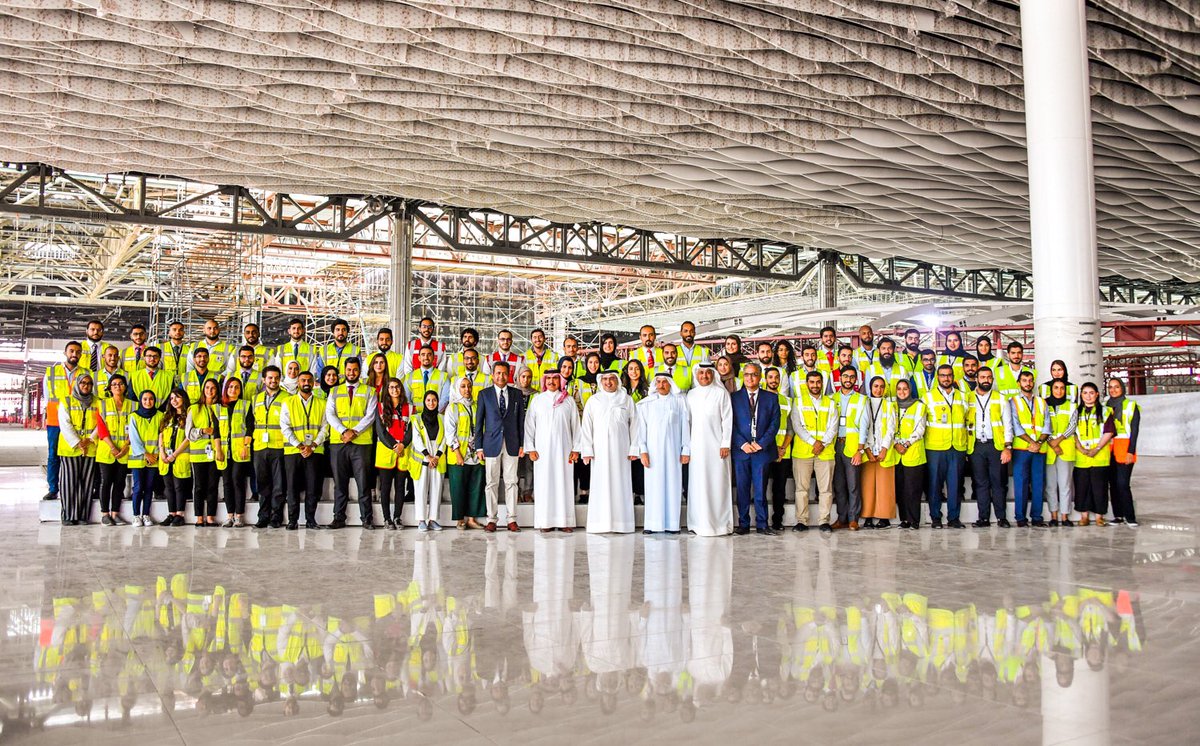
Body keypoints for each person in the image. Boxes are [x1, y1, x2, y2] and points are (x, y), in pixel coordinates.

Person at [576, 370, 638, 534]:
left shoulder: (627, 400)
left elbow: (635, 426)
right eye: (605, 379)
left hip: (622, 452)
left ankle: (622, 524)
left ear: (617, 381)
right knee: (600, 485)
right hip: (600, 452)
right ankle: (600, 524)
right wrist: (587, 450)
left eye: (612, 379)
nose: (608, 382)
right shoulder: (594, 401)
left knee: (621, 484)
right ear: (600, 381)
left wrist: (634, 448)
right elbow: (587, 427)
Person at [525, 372, 581, 532]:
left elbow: (576, 426)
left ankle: (564, 522)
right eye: (548, 379)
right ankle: (545, 522)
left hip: (564, 450)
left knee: (564, 483)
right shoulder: (537, 400)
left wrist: (576, 449)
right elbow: (529, 426)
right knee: (544, 484)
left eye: (555, 378)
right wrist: (531, 448)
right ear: (544, 381)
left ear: (560, 380)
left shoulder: (568, 401)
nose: (551, 381)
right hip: (542, 452)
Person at [325, 357, 377, 529]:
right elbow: (330, 415)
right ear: (344, 370)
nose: (351, 373)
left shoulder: (369, 391)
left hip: (361, 443)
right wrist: (343, 431)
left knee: (363, 483)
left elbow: (370, 416)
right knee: (340, 483)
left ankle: (366, 519)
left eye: (355, 370)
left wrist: (354, 432)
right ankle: (338, 518)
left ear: (359, 370)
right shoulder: (335, 391)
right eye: (349, 370)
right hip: (338, 442)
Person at [637, 371, 690, 534]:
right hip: (652, 454)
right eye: (658, 382)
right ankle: (652, 525)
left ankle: (672, 524)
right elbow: (641, 430)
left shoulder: (680, 402)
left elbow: (685, 427)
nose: (661, 385)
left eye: (664, 382)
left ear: (670, 383)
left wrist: (685, 449)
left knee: (673, 486)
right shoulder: (646, 404)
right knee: (654, 487)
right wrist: (643, 451)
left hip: (674, 453)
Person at [475, 360, 525, 532]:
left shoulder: (517, 394)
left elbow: (521, 421)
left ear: (509, 374)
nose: (501, 376)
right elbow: (479, 422)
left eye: (504, 373)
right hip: (490, 444)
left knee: (512, 482)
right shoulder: (484, 394)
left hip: (512, 443)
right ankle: (492, 519)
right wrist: (479, 447)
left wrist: (522, 444)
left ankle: (511, 519)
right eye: (498, 373)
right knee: (491, 483)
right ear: (493, 375)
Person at [731, 363, 780, 535]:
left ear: (760, 377)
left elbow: (775, 424)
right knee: (742, 489)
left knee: (760, 489)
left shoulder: (771, 398)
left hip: (761, 450)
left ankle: (762, 524)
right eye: (746, 375)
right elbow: (730, 424)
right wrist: (742, 444)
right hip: (742, 450)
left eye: (753, 375)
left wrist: (761, 443)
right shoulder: (733, 398)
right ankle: (743, 524)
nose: (749, 378)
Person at [686, 363, 733, 536]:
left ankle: (719, 525)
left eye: (707, 373)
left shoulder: (721, 393)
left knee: (717, 485)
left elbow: (727, 420)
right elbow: (687, 423)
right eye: (701, 373)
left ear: (713, 374)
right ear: (696, 375)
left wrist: (725, 443)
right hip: (696, 449)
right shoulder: (691, 395)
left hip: (717, 448)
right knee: (698, 485)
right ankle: (698, 524)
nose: (704, 376)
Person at [788, 370, 838, 533]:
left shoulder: (830, 403)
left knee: (826, 489)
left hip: (826, 451)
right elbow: (797, 426)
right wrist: (813, 442)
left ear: (822, 383)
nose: (815, 385)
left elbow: (833, 426)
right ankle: (802, 521)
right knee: (801, 489)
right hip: (803, 452)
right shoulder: (799, 402)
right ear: (807, 384)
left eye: (818, 382)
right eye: (812, 382)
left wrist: (822, 443)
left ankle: (824, 521)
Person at [280, 371, 329, 530]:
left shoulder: (322, 402)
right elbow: (285, 427)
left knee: (313, 487)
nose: (306, 382)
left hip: (315, 451)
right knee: (292, 487)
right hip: (294, 452)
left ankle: (310, 520)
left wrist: (313, 445)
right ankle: (292, 521)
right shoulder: (288, 402)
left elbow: (325, 427)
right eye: (302, 380)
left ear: (313, 382)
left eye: (309, 380)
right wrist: (300, 446)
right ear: (298, 383)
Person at [923, 364, 968, 529]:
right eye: (942, 375)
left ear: (953, 376)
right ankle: (935, 518)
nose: (946, 378)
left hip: (957, 447)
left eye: (949, 375)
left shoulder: (963, 396)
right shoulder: (928, 397)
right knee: (934, 485)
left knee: (955, 485)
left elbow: (967, 421)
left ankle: (954, 518)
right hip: (935, 447)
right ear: (937, 377)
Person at [967, 366, 1013, 528]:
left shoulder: (1001, 398)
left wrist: (1007, 447)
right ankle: (983, 518)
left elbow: (1008, 424)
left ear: (992, 380)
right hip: (976, 446)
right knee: (981, 483)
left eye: (989, 377)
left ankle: (1002, 517)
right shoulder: (968, 398)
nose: (986, 380)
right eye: (983, 377)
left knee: (998, 482)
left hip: (996, 446)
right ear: (976, 379)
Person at [57, 372, 99, 525]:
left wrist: (90, 439)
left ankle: (82, 516)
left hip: (90, 448)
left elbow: (101, 423)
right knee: (69, 482)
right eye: (83, 383)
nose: (85, 386)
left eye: (88, 383)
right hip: (70, 448)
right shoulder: (66, 401)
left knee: (87, 483)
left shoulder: (98, 402)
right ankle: (69, 515)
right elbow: (65, 424)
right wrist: (77, 442)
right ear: (77, 384)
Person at [43, 341, 82, 500]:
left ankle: (76, 487)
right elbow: (47, 396)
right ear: (65, 353)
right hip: (55, 421)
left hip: (78, 421)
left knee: (78, 454)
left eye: (78, 352)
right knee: (53, 455)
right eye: (71, 351)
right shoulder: (51, 372)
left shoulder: (85, 373)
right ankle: (53, 488)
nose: (74, 354)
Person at [1010, 370, 1051, 527]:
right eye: (1024, 380)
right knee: (1021, 483)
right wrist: (1031, 442)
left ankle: (1037, 517)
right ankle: (1020, 518)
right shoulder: (1013, 402)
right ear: (1019, 383)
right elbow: (1016, 426)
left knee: (1038, 483)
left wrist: (1039, 442)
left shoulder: (1042, 402)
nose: (1028, 383)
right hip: (1022, 449)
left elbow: (1047, 425)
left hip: (1039, 450)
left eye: (1030, 380)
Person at [445, 376, 485, 530]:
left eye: (469, 386)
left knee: (476, 487)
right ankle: (460, 519)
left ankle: (472, 519)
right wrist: (457, 453)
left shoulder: (476, 406)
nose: (467, 389)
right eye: (463, 386)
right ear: (457, 388)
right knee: (458, 488)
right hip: (459, 455)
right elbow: (450, 433)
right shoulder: (453, 407)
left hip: (475, 454)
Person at [252, 366, 290, 529]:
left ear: (280, 379)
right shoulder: (256, 399)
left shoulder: (288, 398)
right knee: (262, 483)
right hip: (260, 447)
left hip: (279, 446)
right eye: (270, 378)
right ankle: (263, 516)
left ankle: (276, 516)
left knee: (279, 484)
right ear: (264, 380)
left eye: (276, 378)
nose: (273, 381)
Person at [1073, 383, 1116, 527]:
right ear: (1081, 395)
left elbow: (1109, 432)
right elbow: (1072, 432)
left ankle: (1099, 517)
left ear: (1097, 394)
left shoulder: (1105, 411)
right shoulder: (1076, 412)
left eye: (1091, 392)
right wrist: (1079, 447)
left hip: (1100, 457)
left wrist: (1096, 449)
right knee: (1082, 488)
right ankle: (1084, 516)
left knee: (1100, 489)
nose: (1088, 395)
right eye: (1085, 393)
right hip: (1081, 457)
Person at [858, 376, 897, 529]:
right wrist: (867, 449)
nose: (878, 389)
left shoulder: (889, 405)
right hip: (868, 451)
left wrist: (884, 449)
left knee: (885, 486)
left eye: (881, 386)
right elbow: (862, 428)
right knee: (867, 486)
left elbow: (891, 429)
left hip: (883, 451)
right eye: (875, 386)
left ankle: (884, 517)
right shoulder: (864, 403)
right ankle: (867, 516)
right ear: (870, 387)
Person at [370, 377, 409, 530]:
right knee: (385, 488)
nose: (394, 390)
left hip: (403, 453)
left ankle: (397, 517)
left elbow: (411, 431)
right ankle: (387, 519)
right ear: (387, 390)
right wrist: (395, 446)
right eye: (391, 387)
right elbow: (380, 431)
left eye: (397, 387)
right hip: (386, 453)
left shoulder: (409, 408)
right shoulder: (379, 408)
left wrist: (403, 445)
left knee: (400, 487)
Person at [95, 373, 133, 526]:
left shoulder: (133, 405)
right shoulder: (103, 404)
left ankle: (115, 513)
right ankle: (105, 514)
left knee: (119, 483)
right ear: (110, 388)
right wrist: (112, 447)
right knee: (106, 482)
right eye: (114, 384)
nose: (118, 386)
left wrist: (125, 447)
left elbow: (135, 428)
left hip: (125, 451)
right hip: (107, 450)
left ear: (125, 386)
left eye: (121, 384)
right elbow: (101, 428)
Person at [831, 366, 865, 529]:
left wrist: (860, 450)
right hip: (834, 445)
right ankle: (842, 518)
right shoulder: (831, 399)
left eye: (852, 377)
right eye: (845, 376)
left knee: (853, 485)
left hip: (852, 445)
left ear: (855, 380)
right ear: (840, 378)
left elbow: (865, 427)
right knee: (839, 485)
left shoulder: (861, 399)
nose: (848, 379)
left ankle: (853, 518)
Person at [186, 377, 223, 527]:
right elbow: (188, 433)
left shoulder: (221, 408)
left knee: (213, 486)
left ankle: (210, 517)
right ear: (203, 390)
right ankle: (199, 517)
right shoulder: (194, 408)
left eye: (213, 388)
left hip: (215, 453)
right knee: (199, 486)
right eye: (207, 388)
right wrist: (202, 431)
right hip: (198, 454)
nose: (210, 391)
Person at [217, 377, 253, 528]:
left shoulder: (246, 405)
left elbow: (250, 428)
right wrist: (218, 449)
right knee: (227, 483)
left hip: (240, 451)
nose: (233, 390)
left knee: (238, 481)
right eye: (230, 387)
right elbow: (216, 432)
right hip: (224, 452)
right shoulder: (218, 407)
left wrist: (246, 446)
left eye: (237, 387)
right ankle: (229, 515)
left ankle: (239, 516)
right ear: (226, 389)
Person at [410, 391, 446, 531]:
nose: (431, 403)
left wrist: (436, 456)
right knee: (421, 490)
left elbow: (445, 439)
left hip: (437, 459)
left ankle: (432, 520)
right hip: (422, 460)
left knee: (436, 490)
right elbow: (416, 439)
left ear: (437, 402)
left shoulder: (442, 418)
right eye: (428, 400)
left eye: (434, 400)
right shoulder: (416, 418)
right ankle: (421, 520)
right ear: (424, 402)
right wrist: (428, 456)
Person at [1106, 378, 1140, 527]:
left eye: (1116, 387)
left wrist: (1130, 451)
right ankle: (1118, 515)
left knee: (1123, 483)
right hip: (1109, 448)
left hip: (1124, 447)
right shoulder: (1105, 406)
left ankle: (1130, 517)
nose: (1113, 390)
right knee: (1112, 483)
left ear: (1122, 388)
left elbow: (1134, 431)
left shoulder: (1131, 406)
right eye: (1110, 387)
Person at [1044, 379, 1078, 527]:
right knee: (1051, 485)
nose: (1059, 391)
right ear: (1051, 389)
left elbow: (1072, 425)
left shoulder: (1071, 406)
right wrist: (1052, 441)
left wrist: (1058, 441)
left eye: (1062, 388)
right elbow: (1042, 424)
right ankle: (1053, 516)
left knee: (1065, 484)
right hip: (1049, 449)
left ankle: (1065, 517)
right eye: (1056, 388)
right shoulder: (1044, 405)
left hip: (1065, 449)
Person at [892, 380, 926, 530]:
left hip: (913, 451)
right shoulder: (892, 406)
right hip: (896, 452)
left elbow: (920, 429)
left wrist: (905, 444)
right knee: (900, 488)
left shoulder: (919, 405)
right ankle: (904, 519)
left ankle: (914, 520)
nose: (902, 392)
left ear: (910, 390)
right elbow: (888, 427)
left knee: (913, 489)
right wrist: (895, 443)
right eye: (899, 389)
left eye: (905, 389)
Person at [127, 389, 162, 526]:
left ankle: (146, 515)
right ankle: (136, 515)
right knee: (138, 487)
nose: (148, 402)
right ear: (141, 401)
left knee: (149, 487)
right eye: (145, 399)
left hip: (154, 459)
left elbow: (162, 436)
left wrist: (156, 454)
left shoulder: (160, 415)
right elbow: (134, 438)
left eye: (151, 399)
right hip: (138, 458)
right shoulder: (133, 416)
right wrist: (146, 454)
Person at [158, 388, 192, 527]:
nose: (174, 401)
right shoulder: (167, 416)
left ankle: (180, 514)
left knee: (179, 487)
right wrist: (162, 452)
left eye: (177, 397)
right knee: (169, 487)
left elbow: (188, 438)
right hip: (165, 457)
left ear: (183, 398)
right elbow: (160, 434)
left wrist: (174, 454)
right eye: (172, 398)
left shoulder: (189, 415)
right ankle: (171, 514)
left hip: (180, 456)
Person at [764, 367, 791, 531]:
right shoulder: (759, 399)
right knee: (761, 486)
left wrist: (781, 449)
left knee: (779, 488)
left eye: (776, 377)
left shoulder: (787, 401)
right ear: (765, 379)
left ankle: (777, 521)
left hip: (782, 452)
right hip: (764, 451)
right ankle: (761, 521)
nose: (774, 380)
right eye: (770, 377)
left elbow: (790, 429)